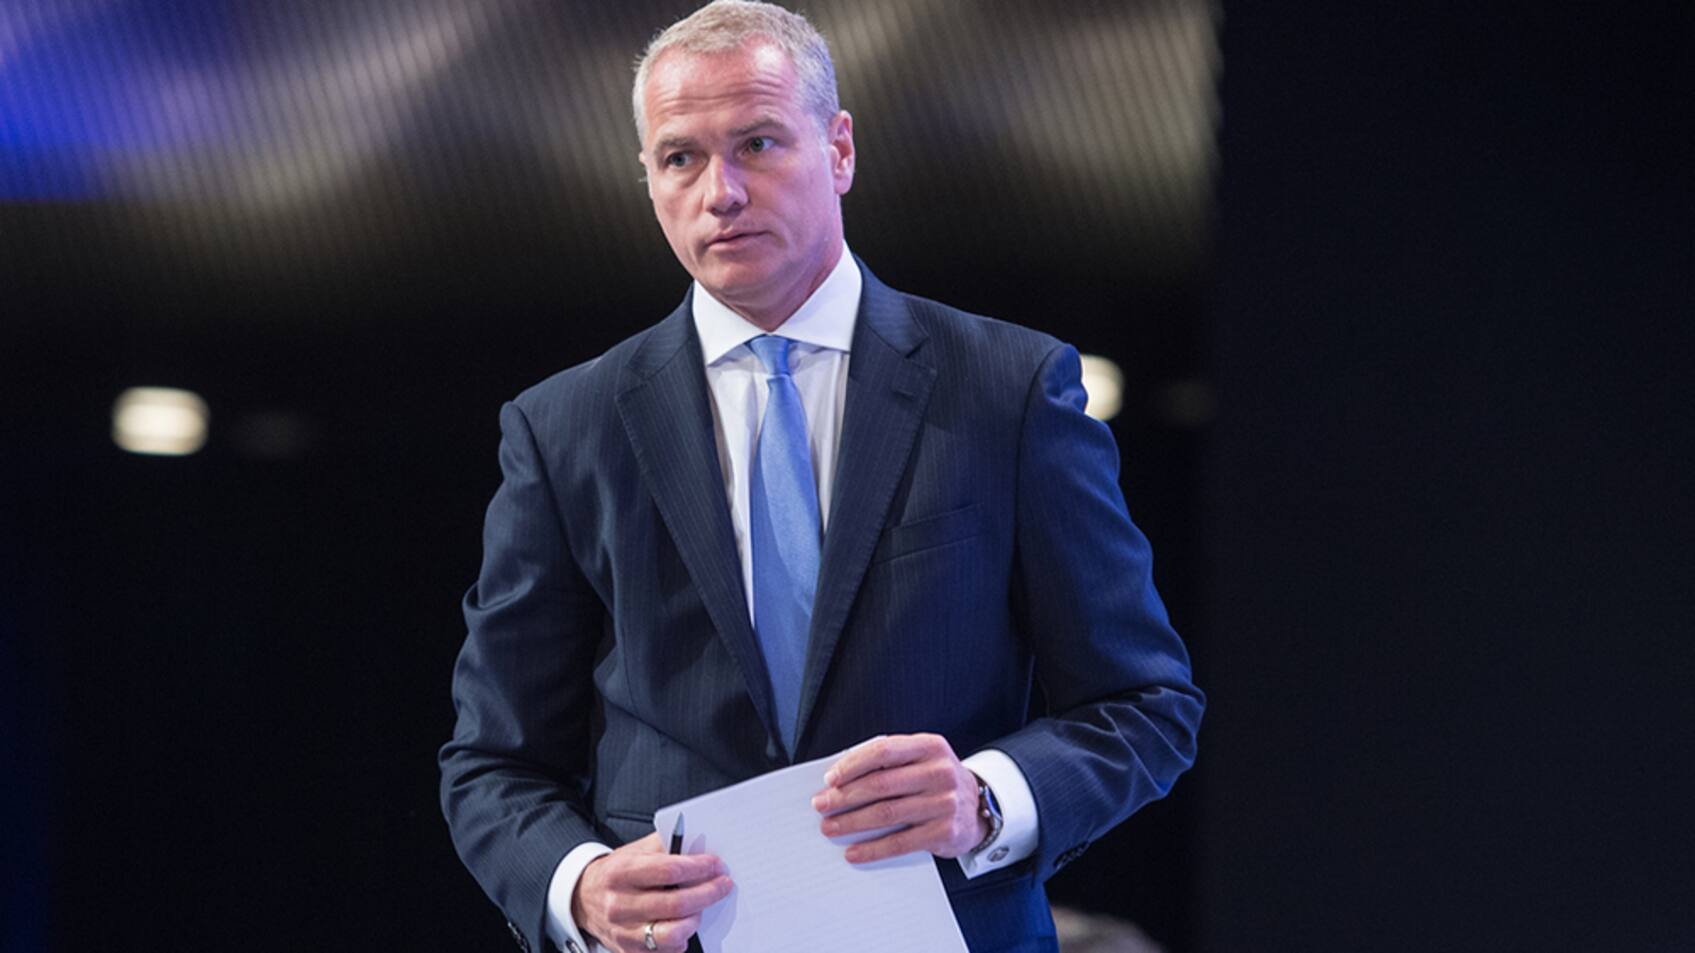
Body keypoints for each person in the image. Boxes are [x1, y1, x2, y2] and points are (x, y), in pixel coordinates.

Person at [439, 3, 1203, 952]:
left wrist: (984, 798)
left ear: (839, 150)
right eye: (679, 158)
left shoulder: (1004, 388)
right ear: (648, 178)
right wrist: (579, 883)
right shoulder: (565, 428)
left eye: (756, 144)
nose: (720, 192)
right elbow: (493, 760)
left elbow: (1143, 704)